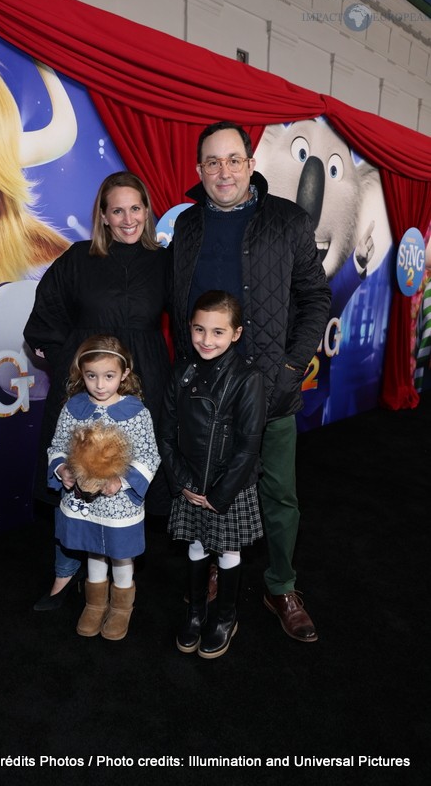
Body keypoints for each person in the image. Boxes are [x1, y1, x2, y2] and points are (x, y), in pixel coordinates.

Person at [170, 121, 331, 642]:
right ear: (199, 170)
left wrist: (290, 368)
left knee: (278, 493)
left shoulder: (287, 221)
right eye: (212, 162)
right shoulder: (188, 226)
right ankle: (219, 569)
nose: (224, 171)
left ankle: (280, 585)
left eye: (233, 159)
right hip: (202, 397)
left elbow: (316, 298)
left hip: (270, 392)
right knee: (212, 487)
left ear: (250, 164)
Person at [24, 171, 172, 610]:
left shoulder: (165, 262)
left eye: (135, 208)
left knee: (129, 474)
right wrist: (73, 365)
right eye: (117, 210)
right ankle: (65, 572)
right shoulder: (77, 258)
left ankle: (121, 578)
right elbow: (44, 318)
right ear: (103, 217)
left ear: (146, 212)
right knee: (75, 471)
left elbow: (186, 323)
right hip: (84, 388)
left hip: (145, 381)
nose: (127, 218)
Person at [159, 291, 266, 659]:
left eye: (218, 332)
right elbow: (166, 433)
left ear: (235, 334)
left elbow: (249, 445)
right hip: (191, 484)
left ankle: (225, 617)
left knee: (228, 551)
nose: (206, 340)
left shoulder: (248, 378)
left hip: (228, 488)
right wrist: (182, 482)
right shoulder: (181, 372)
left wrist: (219, 495)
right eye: (199, 330)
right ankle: (195, 612)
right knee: (196, 544)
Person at [47, 334, 160, 640]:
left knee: (121, 555)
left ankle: (122, 607)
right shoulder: (74, 408)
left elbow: (150, 455)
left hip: (119, 504)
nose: (99, 384)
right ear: (80, 374)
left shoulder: (136, 412)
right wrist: (62, 470)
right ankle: (95, 604)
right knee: (93, 552)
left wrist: (120, 481)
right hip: (84, 503)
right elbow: (57, 446)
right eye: (91, 376)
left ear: (124, 374)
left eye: (109, 376)